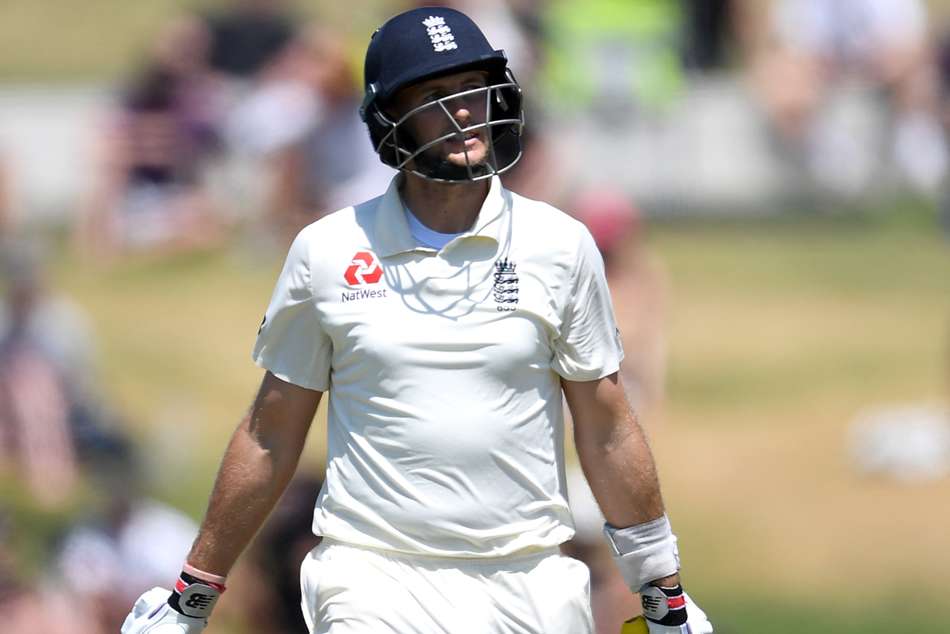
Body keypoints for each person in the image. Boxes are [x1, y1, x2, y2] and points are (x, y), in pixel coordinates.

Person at [121, 7, 713, 634]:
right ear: (390, 118)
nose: (464, 111)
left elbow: (606, 428)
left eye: (473, 87)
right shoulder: (328, 251)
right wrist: (192, 594)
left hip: (528, 578)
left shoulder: (560, 245)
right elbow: (271, 433)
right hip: (372, 577)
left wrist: (661, 589)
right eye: (435, 96)